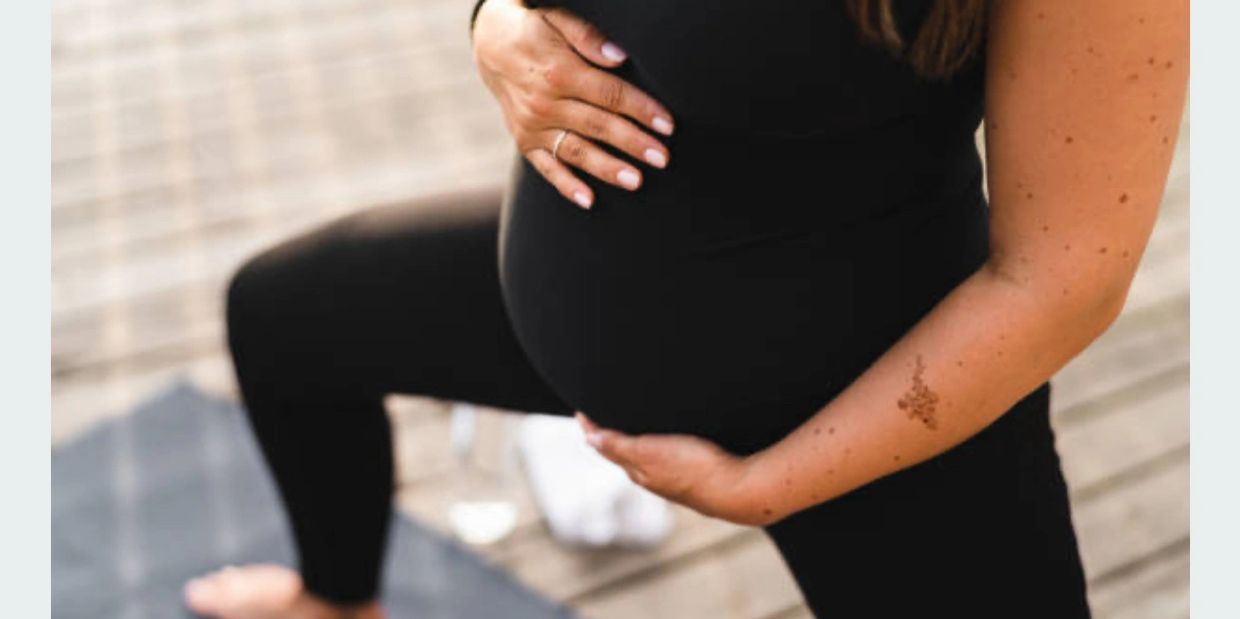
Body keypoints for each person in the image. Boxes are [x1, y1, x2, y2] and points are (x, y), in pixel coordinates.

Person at [183, 0, 1188, 617]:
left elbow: (1061, 279)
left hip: (886, 400)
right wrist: (494, 27)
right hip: (570, 301)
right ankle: (334, 601)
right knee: (280, 319)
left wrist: (771, 483)